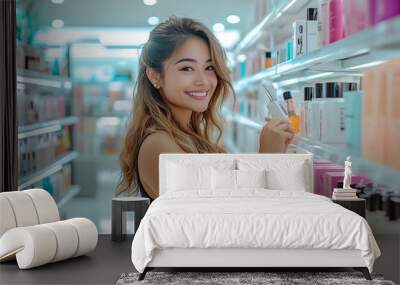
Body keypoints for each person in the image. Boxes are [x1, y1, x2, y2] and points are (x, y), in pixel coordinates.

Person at [117, 17, 294, 200]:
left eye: (209, 67)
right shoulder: (159, 143)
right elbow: (215, 214)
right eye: (187, 68)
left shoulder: (189, 136)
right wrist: (266, 157)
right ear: (155, 76)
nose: (203, 81)